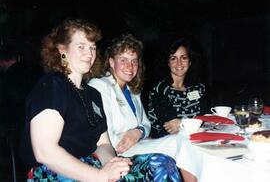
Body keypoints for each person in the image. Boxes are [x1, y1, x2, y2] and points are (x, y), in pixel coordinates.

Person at [20, 19, 132, 181]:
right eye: (81, 47)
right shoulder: (52, 86)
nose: (89, 54)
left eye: (92, 47)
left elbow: (103, 144)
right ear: (62, 50)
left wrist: (112, 164)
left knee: (159, 163)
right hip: (55, 172)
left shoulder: (93, 94)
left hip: (91, 165)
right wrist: (99, 176)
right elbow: (44, 151)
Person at [88, 33, 182, 181]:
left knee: (181, 140)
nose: (130, 66)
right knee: (177, 144)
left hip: (138, 144)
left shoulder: (132, 90)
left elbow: (146, 124)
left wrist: (138, 132)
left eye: (134, 61)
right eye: (123, 60)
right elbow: (105, 139)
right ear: (111, 62)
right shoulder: (100, 86)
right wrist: (132, 138)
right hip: (117, 153)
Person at [147, 38, 207, 139]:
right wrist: (193, 122)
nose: (179, 63)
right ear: (168, 63)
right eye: (173, 58)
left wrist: (181, 123)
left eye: (183, 58)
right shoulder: (160, 89)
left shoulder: (199, 88)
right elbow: (171, 127)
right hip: (166, 143)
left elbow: (204, 118)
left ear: (190, 61)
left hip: (195, 138)